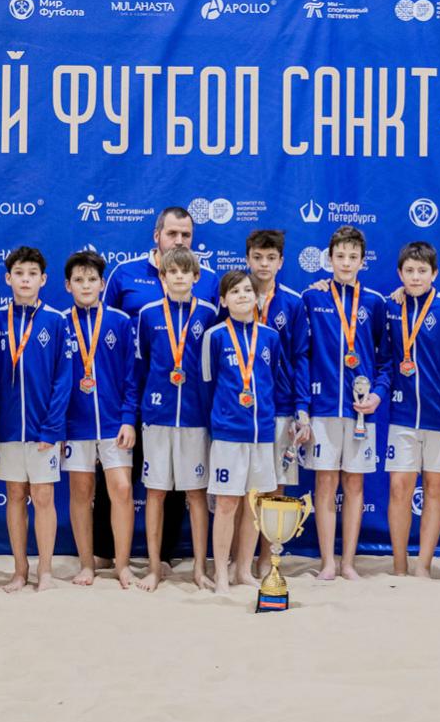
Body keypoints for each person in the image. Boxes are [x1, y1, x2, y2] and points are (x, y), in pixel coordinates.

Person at [96, 207, 219, 568]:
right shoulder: (125, 273)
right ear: (157, 235)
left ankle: (162, 556)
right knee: (117, 474)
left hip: (186, 400)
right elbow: (103, 326)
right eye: (172, 234)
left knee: (176, 483)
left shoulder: (209, 281)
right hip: (129, 389)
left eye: (186, 235)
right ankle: (104, 551)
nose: (179, 241)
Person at [299, 226, 391, 580]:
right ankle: (327, 562)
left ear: (363, 261)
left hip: (360, 412)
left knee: (354, 485)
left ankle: (348, 562)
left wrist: (377, 393)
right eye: (340, 256)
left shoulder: (375, 303)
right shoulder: (312, 297)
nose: (347, 263)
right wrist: (304, 404)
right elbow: (302, 354)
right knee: (325, 484)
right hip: (322, 408)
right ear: (330, 259)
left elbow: (386, 360)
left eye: (353, 257)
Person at [130, 246, 218, 591]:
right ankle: (154, 568)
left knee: (196, 495)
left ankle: (198, 568)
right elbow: (140, 368)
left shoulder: (209, 313)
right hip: (158, 416)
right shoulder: (148, 314)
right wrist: (136, 414)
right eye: (172, 272)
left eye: (185, 272)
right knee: (155, 493)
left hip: (195, 419)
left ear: (196, 277)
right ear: (162, 277)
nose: (179, 277)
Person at [201, 270, 294, 593]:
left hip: (262, 434)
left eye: (247, 290)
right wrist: (220, 422)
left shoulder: (270, 337)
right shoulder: (214, 336)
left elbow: (275, 383)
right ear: (223, 300)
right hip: (228, 435)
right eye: (235, 291)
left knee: (255, 504)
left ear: (258, 298)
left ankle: (242, 569)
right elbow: (206, 388)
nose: (242, 295)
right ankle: (222, 573)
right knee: (227, 504)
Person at [383, 242, 440, 578]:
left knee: (436, 489)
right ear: (399, 273)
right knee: (399, 488)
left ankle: (423, 565)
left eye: (422, 271)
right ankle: (399, 565)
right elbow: (384, 360)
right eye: (409, 271)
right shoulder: (391, 307)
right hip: (402, 416)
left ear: (435, 273)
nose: (415, 277)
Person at [0, 247, 72, 593]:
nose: (25, 280)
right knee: (14, 494)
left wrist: (52, 427)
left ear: (44, 279)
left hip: (43, 428)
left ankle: (47, 571)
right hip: (7, 427)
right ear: (8, 278)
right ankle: (20, 570)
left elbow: (63, 379)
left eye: (32, 274)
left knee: (43, 496)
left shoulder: (55, 321)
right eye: (19, 274)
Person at [61, 251, 138, 588]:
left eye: (92, 279)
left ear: (103, 284)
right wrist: (59, 426)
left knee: (121, 489)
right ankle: (86, 564)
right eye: (79, 280)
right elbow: (55, 381)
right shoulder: (60, 322)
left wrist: (128, 419)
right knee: (81, 491)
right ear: (68, 285)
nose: (86, 285)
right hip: (75, 425)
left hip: (113, 422)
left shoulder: (120, 322)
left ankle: (122, 565)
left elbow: (132, 377)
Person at [243, 230, 310, 576]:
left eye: (271, 258)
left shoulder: (293, 303)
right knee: (244, 486)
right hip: (242, 408)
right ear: (248, 259)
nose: (264, 264)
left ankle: (267, 557)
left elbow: (301, 357)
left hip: (281, 406)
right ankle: (241, 559)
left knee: (275, 485)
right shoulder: (235, 295)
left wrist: (302, 407)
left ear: (281, 262)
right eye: (257, 257)